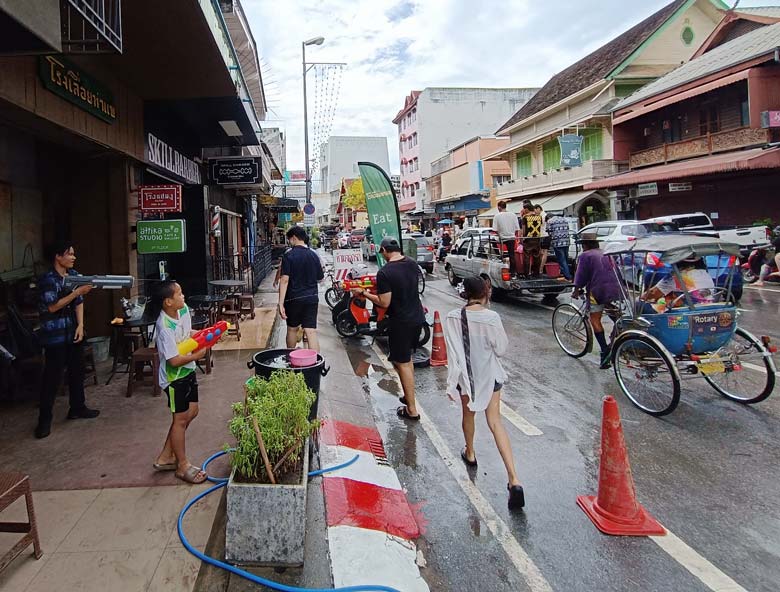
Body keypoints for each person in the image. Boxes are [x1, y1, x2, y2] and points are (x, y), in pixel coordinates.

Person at [444, 276, 524, 509]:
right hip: (490, 377)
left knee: (468, 416)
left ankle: (470, 452)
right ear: (485, 293)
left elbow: (453, 350)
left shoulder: (452, 317)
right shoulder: (491, 318)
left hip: (467, 379)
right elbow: (501, 349)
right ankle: (514, 479)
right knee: (495, 422)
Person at [351, 236, 425, 421]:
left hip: (401, 322)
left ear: (384, 250)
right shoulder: (412, 263)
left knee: (403, 363)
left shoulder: (385, 272)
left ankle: (412, 410)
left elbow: (384, 302)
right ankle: (408, 396)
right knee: (405, 360)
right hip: (417, 318)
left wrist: (364, 293)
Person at [35, 241, 100, 439]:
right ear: (58, 256)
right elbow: (53, 307)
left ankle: (77, 407)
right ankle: (44, 420)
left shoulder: (74, 275)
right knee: (52, 378)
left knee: (77, 372)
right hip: (54, 335)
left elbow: (79, 302)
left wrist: (80, 325)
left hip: (73, 331)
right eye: (69, 254)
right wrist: (76, 292)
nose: (73, 257)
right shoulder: (48, 280)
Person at [151, 280, 209, 484]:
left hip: (188, 371)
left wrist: (205, 335)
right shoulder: (164, 327)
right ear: (168, 301)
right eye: (179, 294)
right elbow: (173, 361)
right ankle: (182, 465)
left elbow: (187, 333)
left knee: (192, 411)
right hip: (174, 379)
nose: (183, 296)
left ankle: (166, 456)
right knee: (180, 420)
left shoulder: (183, 310)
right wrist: (197, 356)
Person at [573, 232, 622, 369]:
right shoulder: (606, 252)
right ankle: (620, 329)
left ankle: (604, 351)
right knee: (613, 311)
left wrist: (576, 290)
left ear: (585, 245)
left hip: (598, 289)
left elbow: (580, 275)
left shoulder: (585, 255)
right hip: (616, 287)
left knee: (595, 319)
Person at [278, 226, 325, 351]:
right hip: (311, 298)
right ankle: (316, 361)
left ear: (294, 238)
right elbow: (320, 278)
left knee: (292, 329)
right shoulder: (314, 255)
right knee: (311, 331)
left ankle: (291, 356)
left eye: (289, 240)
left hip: (293, 299)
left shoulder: (289, 255)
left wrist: (280, 303)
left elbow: (284, 280)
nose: (289, 243)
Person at [642, 257, 715, 311]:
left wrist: (641, 298)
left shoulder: (676, 277)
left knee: (640, 304)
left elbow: (653, 293)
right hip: (707, 309)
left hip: (685, 311)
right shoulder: (706, 274)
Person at [493, 201, 520, 274]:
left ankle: (499, 257)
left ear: (499, 207)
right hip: (511, 238)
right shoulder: (513, 215)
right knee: (512, 255)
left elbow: (495, 230)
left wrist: (500, 235)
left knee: (493, 242)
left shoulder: (497, 216)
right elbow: (517, 229)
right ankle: (513, 272)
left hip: (502, 238)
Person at [546, 213, 572, 280]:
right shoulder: (565, 219)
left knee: (561, 260)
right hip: (566, 241)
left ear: (548, 217)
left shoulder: (550, 221)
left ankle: (567, 276)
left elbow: (549, 232)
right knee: (566, 259)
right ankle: (566, 273)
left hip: (557, 242)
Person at [521, 205, 544, 276]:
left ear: (527, 209)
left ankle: (527, 273)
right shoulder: (539, 217)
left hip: (528, 239)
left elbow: (524, 229)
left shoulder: (525, 217)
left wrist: (523, 237)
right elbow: (541, 227)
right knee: (537, 256)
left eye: (524, 209)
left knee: (527, 257)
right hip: (537, 238)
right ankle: (536, 273)